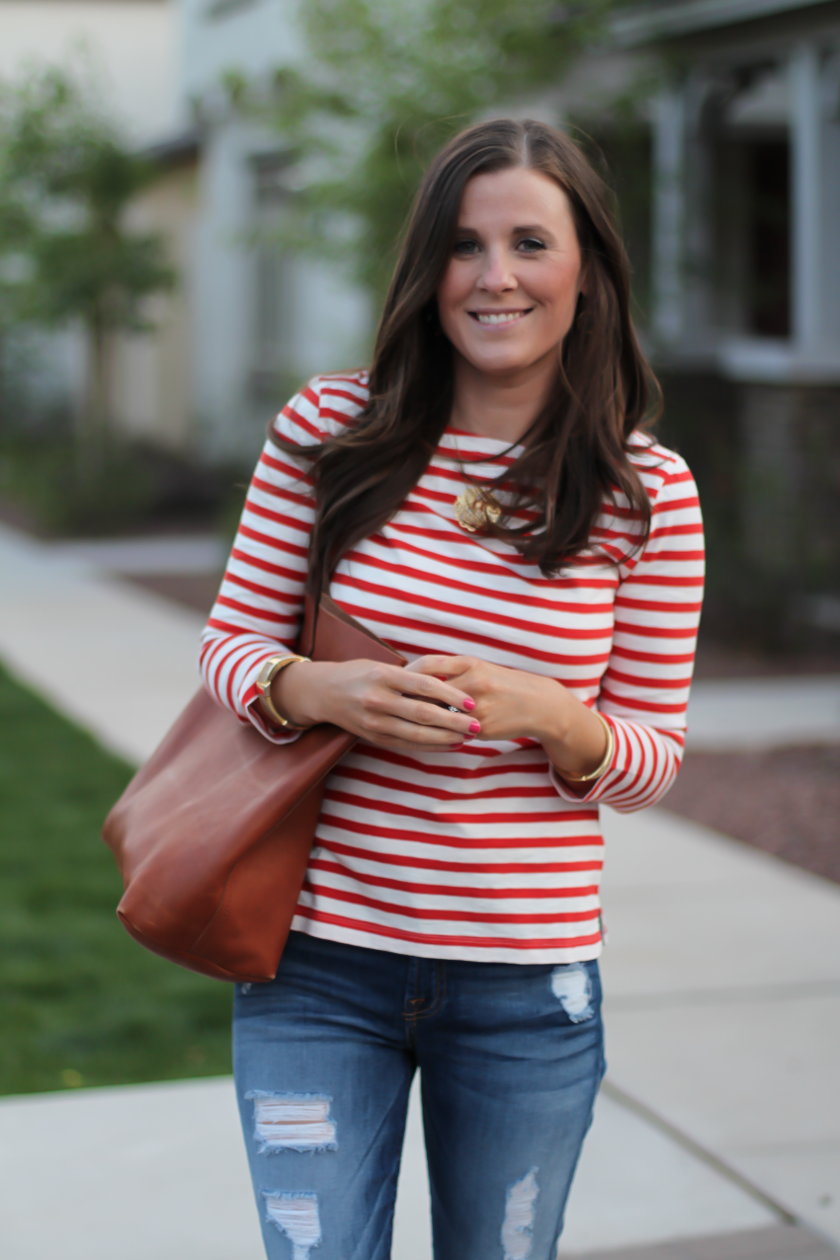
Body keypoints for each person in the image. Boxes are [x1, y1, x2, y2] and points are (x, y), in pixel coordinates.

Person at [200, 118, 704, 1260]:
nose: (495, 278)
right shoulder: (332, 430)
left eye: (530, 242)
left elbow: (652, 757)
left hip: (526, 992)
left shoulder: (647, 494)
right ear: (428, 270)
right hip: (317, 968)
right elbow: (229, 647)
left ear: (587, 268)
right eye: (464, 247)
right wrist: (318, 691)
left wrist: (553, 715)